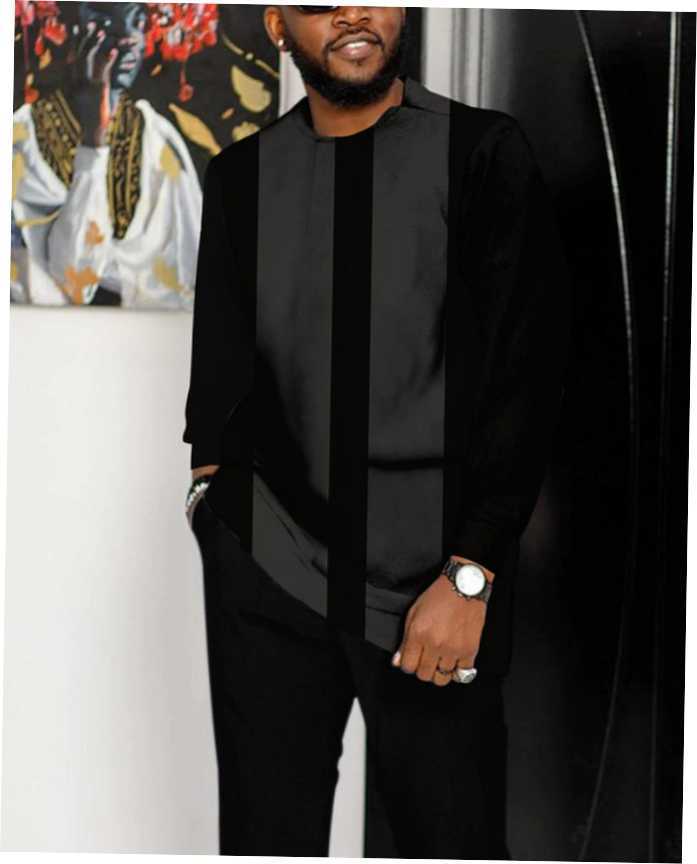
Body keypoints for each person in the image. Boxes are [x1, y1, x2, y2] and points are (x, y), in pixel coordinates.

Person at [182, 5, 571, 858]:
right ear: (278, 24)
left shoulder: (481, 152)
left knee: (451, 844)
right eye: (321, 3)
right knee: (265, 843)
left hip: (431, 586)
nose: (354, 15)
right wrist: (217, 518)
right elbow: (219, 384)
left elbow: (525, 380)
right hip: (271, 570)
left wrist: (470, 575)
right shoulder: (241, 175)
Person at [11, 2, 201, 308]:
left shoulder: (158, 140)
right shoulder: (20, 139)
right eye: (103, 20)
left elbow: (191, 276)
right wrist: (93, 141)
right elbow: (75, 283)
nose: (128, 37)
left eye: (137, 21)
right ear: (63, 28)